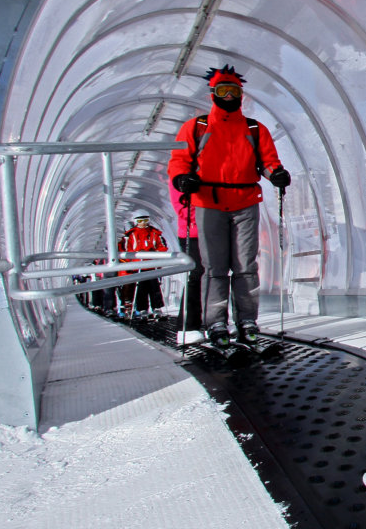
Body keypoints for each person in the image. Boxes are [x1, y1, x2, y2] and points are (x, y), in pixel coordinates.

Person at [168, 66, 291, 350]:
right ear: (213, 94)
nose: (228, 96)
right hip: (208, 203)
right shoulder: (195, 127)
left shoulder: (253, 128)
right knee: (215, 267)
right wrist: (182, 178)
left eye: (233, 91)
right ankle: (215, 322)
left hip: (245, 202)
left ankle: (247, 320)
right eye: (223, 90)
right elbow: (179, 160)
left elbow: (268, 161)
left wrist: (276, 174)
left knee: (246, 265)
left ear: (240, 95)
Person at [169, 177, 205, 341]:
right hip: (193, 233)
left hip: (213, 230)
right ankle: (187, 326)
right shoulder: (181, 172)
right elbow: (182, 207)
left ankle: (216, 322)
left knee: (216, 274)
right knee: (195, 274)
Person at [117, 214, 168, 318]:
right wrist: (135, 256)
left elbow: (162, 246)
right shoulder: (131, 235)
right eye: (140, 221)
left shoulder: (154, 233)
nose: (143, 223)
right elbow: (126, 249)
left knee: (154, 287)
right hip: (138, 265)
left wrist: (153, 252)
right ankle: (142, 309)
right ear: (136, 222)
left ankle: (157, 307)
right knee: (141, 288)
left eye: (145, 220)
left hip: (152, 265)